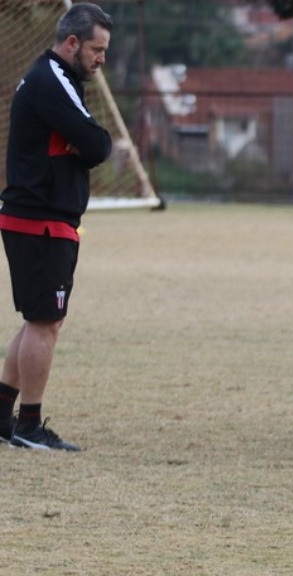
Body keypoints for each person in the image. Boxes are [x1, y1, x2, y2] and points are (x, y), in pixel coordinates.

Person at [0, 3, 113, 451]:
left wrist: (80, 142)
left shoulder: (55, 79)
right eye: (97, 49)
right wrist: (83, 143)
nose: (101, 58)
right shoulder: (53, 79)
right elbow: (97, 144)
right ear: (71, 43)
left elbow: (86, 143)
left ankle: (3, 418)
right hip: (40, 220)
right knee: (45, 322)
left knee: (40, 321)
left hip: (39, 218)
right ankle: (29, 427)